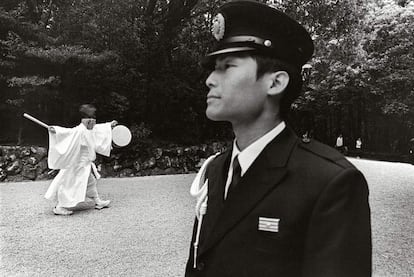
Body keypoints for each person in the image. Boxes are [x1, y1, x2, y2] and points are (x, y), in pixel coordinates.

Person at [185, 1, 372, 276]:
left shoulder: (330, 182)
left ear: (275, 82)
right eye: (213, 67)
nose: (210, 80)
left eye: (227, 66)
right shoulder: (216, 169)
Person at [44, 104, 117, 215]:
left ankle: (97, 201)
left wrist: (109, 126)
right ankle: (59, 206)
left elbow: (99, 129)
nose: (94, 122)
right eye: (92, 120)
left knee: (91, 182)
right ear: (88, 121)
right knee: (69, 184)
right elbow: (67, 133)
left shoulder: (90, 129)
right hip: (76, 164)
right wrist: (56, 131)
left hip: (85, 164)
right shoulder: (79, 131)